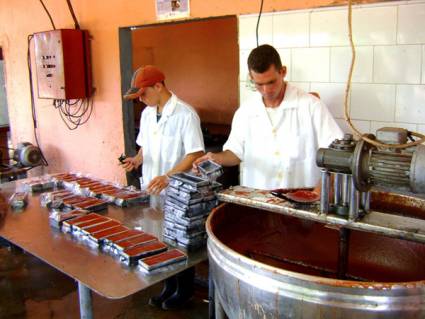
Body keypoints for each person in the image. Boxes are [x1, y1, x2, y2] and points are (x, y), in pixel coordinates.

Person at [194, 44, 343, 190]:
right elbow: (235, 153)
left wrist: (321, 190)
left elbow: (337, 155)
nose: (266, 90)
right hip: (259, 202)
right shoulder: (246, 112)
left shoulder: (311, 106)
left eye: (271, 82)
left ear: (283, 71)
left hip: (302, 203)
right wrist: (215, 158)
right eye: (259, 84)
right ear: (251, 78)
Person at [122, 65, 204, 309]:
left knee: (179, 241)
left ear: (159, 86)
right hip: (153, 188)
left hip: (177, 191)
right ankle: (168, 285)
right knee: (158, 239)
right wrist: (137, 159)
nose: (141, 99)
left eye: (143, 93)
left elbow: (195, 153)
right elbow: (145, 145)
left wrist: (169, 176)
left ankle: (184, 290)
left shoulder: (185, 114)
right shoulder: (148, 113)